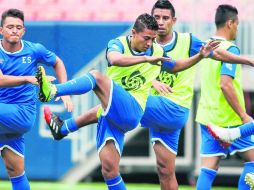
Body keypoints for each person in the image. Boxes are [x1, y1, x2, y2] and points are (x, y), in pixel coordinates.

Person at [42, 1, 254, 189]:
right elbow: (120, 60)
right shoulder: (135, 46)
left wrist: (246, 60)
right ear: (139, 29)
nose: (161, 22)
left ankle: (64, 124)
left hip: (172, 106)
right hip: (158, 112)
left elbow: (207, 56)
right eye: (157, 17)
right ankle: (64, 128)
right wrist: (150, 76)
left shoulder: (184, 41)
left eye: (165, 18)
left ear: (174, 20)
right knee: (161, 170)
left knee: (109, 97)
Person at [0, 9, 72, 190]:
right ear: (1, 30)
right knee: (16, 173)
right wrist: (27, 79)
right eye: (10, 27)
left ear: (23, 31)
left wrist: (62, 90)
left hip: (22, 113)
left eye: (18, 27)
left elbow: (58, 62)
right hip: (4, 117)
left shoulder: (34, 49)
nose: (14, 30)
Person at [195, 4, 254, 190]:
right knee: (253, 164)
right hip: (229, 119)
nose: (237, 28)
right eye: (237, 24)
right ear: (230, 23)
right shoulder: (230, 49)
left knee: (208, 169)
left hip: (207, 118)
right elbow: (225, 84)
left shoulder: (206, 47)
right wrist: (243, 116)